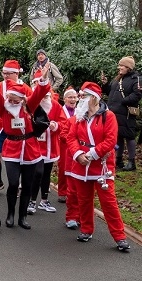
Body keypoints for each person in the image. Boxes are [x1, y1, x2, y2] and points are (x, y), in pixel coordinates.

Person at [66, 82, 131, 252]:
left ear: (94, 98)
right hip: (81, 165)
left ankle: (120, 236)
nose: (80, 99)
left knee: (108, 202)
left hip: (102, 165)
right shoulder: (78, 116)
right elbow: (70, 138)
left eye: (83, 96)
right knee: (84, 200)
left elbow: (110, 140)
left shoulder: (108, 116)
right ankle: (86, 229)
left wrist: (92, 154)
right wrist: (78, 155)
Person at [0, 62, 51, 229]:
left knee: (27, 185)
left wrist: (43, 79)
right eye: (10, 97)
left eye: (15, 98)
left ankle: (22, 217)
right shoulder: (4, 107)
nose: (11, 100)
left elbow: (40, 92)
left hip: (30, 148)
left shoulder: (29, 104)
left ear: (22, 98)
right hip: (11, 149)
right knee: (14, 183)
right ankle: (10, 214)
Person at [29, 82, 67, 215]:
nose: (45, 98)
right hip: (35, 146)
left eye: (47, 95)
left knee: (46, 174)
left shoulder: (56, 106)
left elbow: (64, 123)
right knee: (37, 173)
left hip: (50, 146)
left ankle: (44, 201)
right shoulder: (32, 106)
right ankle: (32, 200)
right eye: (42, 96)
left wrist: (55, 125)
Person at [102, 56, 141, 171]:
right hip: (114, 112)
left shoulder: (136, 79)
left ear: (128, 67)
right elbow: (110, 92)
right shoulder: (118, 79)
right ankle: (118, 160)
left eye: (122, 66)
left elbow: (137, 95)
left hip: (126, 113)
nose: (119, 67)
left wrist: (122, 101)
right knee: (117, 136)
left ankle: (131, 162)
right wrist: (105, 84)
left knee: (129, 136)